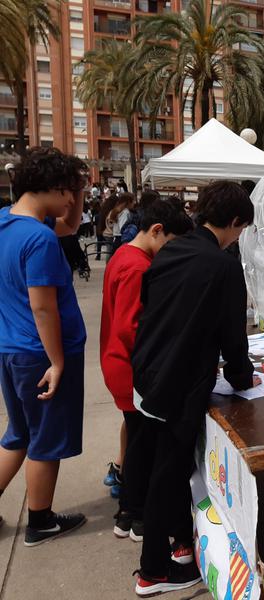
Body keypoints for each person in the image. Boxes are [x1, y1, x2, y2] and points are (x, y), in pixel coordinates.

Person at [129, 181, 259, 596]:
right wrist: (243, 378)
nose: (238, 237)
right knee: (168, 475)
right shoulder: (224, 266)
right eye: (241, 229)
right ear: (234, 222)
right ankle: (153, 571)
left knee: (161, 466)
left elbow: (156, 308)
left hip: (147, 373)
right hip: (177, 385)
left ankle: (182, 545)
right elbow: (233, 338)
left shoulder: (171, 250)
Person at [0, 147, 89, 546]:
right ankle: (41, 520)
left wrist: (81, 188)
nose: (71, 199)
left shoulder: (6, 222)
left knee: (18, 434)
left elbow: (70, 225)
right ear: (50, 187)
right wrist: (57, 361)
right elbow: (43, 307)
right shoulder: (38, 238)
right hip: (40, 354)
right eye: (68, 190)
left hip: (11, 350)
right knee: (45, 441)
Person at [100, 200, 193, 539]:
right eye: (171, 243)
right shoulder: (138, 267)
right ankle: (136, 513)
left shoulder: (124, 254)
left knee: (137, 439)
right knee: (144, 446)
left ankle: (129, 511)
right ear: (156, 231)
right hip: (131, 368)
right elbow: (132, 327)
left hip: (120, 362)